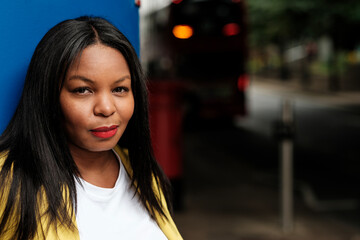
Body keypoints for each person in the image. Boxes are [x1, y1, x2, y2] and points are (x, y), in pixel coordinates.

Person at [0, 16, 182, 240]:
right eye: (83, 90)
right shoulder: (9, 182)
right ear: (47, 96)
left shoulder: (146, 175)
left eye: (120, 89)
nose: (106, 108)